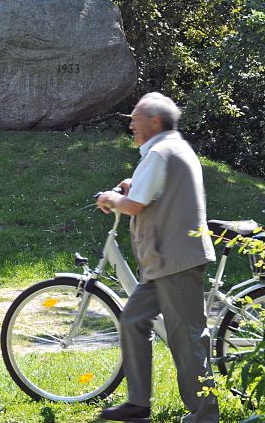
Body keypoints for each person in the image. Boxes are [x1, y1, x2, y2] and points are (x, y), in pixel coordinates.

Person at [95, 92, 219, 423]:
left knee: (188, 339)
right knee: (133, 319)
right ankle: (138, 405)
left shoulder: (160, 152)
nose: (131, 124)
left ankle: (205, 414)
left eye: (135, 118)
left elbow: (135, 205)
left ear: (154, 121)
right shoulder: (172, 148)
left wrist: (111, 198)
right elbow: (155, 190)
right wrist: (133, 184)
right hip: (164, 261)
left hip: (174, 260)